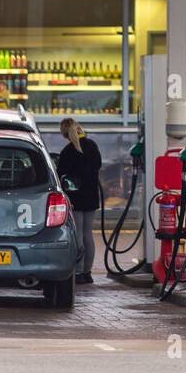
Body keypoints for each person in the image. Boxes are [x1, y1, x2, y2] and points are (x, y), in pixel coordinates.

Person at [57, 117, 102, 285]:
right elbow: (98, 166)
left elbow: (60, 173)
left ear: (64, 134)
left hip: (75, 197)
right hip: (91, 196)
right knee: (88, 234)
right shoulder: (92, 146)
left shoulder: (67, 151)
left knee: (77, 234)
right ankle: (87, 272)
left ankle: (78, 271)